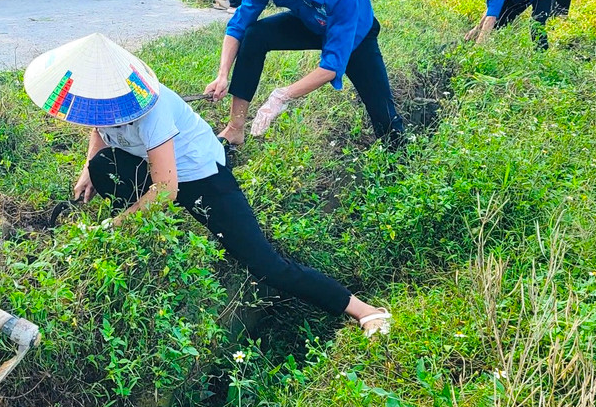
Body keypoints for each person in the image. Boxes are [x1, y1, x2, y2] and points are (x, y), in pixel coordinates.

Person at [24, 33, 392, 337]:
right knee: (102, 166)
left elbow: (166, 191)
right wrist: (88, 168)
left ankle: (362, 310)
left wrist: (109, 229)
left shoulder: (149, 107)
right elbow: (98, 127)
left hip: (201, 179)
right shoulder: (101, 101)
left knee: (264, 264)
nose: (92, 110)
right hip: (160, 172)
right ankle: (146, 231)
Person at [201, 0, 405, 148]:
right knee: (254, 34)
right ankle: (235, 129)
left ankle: (396, 158)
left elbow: (332, 66)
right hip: (309, 22)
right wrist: (222, 74)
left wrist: (282, 95)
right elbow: (238, 25)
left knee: (383, 112)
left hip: (355, 35)